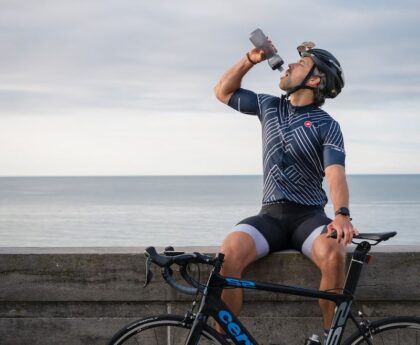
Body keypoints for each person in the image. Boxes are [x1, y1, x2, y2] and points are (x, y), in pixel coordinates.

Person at [213, 39, 358, 342]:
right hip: (270, 217)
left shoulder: (327, 125)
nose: (289, 65)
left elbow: (335, 175)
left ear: (315, 79)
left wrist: (341, 214)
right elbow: (222, 92)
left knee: (333, 254)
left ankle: (333, 338)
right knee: (227, 256)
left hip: (308, 218)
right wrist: (249, 60)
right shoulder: (269, 106)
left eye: (300, 64)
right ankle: (224, 339)